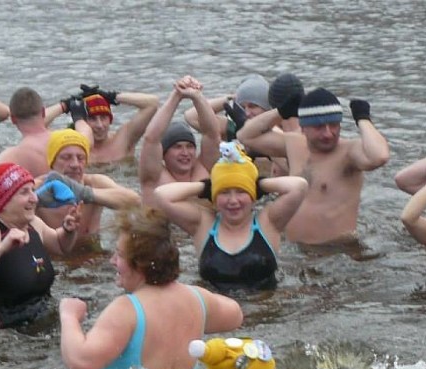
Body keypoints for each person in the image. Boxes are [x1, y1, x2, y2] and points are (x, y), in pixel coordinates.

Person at [59, 205, 244, 369]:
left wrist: (69, 316)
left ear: (140, 263)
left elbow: (80, 361)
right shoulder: (197, 298)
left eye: (120, 255)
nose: (112, 261)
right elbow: (236, 315)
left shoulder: (126, 310)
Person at [237, 87, 390, 245]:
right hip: (296, 251)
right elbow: (245, 136)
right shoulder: (293, 144)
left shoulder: (349, 153)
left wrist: (363, 119)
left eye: (334, 125)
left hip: (337, 252)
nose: (328, 133)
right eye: (319, 127)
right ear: (303, 128)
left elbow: (380, 156)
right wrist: (280, 112)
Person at [154, 141, 307, 292]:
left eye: (241, 192)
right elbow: (161, 195)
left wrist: (258, 184)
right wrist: (206, 186)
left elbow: (299, 186)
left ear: (253, 196)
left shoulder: (268, 222)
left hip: (264, 311)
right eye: (224, 192)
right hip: (217, 312)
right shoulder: (203, 224)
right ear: (214, 197)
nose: (233, 201)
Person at [0, 163, 80, 329]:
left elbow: (61, 246)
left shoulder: (32, 222)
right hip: (6, 336)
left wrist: (68, 231)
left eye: (33, 190)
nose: (35, 198)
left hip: (44, 322)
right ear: (5, 200)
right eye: (24, 192)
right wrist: (0, 249)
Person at [34, 129, 140, 239]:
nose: (75, 164)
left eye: (81, 158)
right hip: (52, 254)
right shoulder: (38, 186)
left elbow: (135, 201)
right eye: (66, 158)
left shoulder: (95, 182)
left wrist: (83, 193)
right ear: (52, 162)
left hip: (91, 251)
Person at [138, 75, 221, 205]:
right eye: (177, 147)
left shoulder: (204, 168)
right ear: (163, 154)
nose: (185, 152)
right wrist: (176, 95)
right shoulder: (155, 177)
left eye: (189, 146)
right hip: (162, 225)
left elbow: (212, 134)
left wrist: (197, 97)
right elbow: (151, 138)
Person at [44, 83, 159, 164]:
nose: (100, 125)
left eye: (103, 118)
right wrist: (65, 105)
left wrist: (113, 96)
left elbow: (152, 103)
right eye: (93, 119)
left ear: (110, 119)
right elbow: (35, 125)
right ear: (82, 121)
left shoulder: (124, 139)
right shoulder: (69, 146)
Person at [184, 73, 271, 142]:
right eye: (242, 107)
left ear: (267, 108)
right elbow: (191, 117)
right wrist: (230, 99)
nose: (247, 113)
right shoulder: (234, 128)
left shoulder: (280, 129)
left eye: (253, 106)